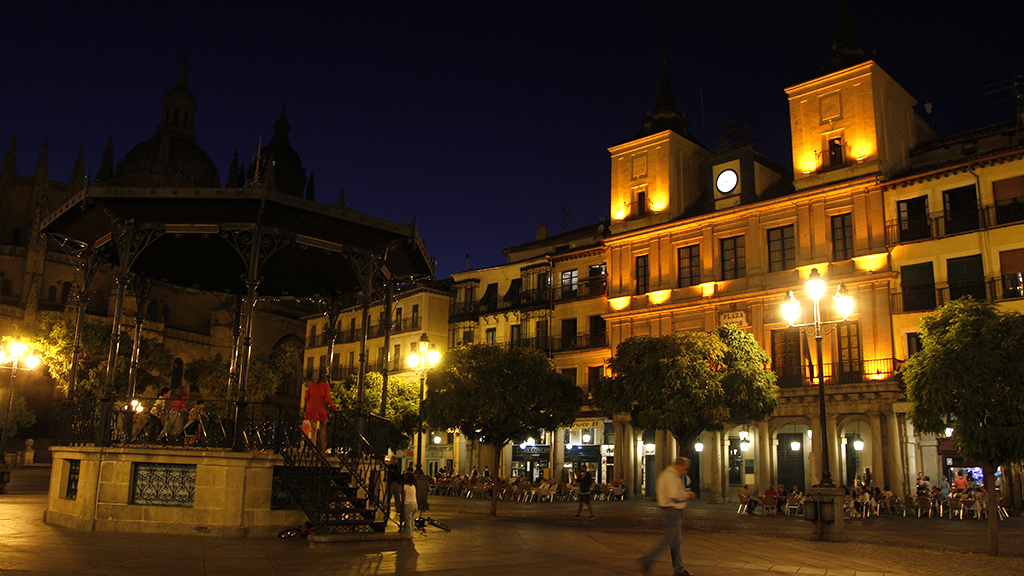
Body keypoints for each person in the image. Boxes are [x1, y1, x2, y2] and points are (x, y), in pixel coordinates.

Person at [640, 457, 695, 576]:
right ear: (679, 466)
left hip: (671, 510)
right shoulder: (671, 476)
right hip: (671, 511)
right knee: (670, 539)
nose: (685, 472)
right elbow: (673, 494)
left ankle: (678, 569)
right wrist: (687, 495)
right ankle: (649, 559)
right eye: (685, 469)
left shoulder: (668, 474)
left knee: (675, 542)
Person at [303, 375, 337, 453]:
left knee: (314, 430)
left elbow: (305, 398)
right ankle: (323, 449)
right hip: (321, 408)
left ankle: (313, 448)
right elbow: (328, 399)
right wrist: (334, 407)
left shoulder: (311, 385)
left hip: (311, 408)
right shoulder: (326, 386)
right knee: (323, 429)